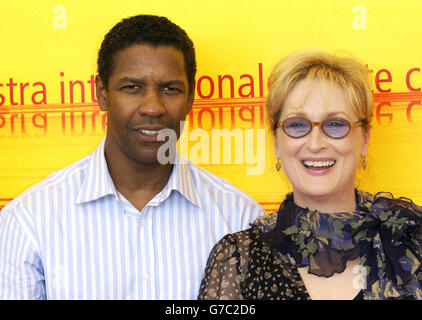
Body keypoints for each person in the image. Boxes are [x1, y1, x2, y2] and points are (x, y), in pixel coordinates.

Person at [0, 14, 264, 300]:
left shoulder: (239, 218)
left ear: (190, 99)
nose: (152, 107)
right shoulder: (30, 221)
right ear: (102, 93)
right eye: (132, 88)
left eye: (170, 89)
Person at [198, 49, 422, 300]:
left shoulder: (413, 242)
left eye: (336, 124)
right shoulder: (239, 260)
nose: (316, 143)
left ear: (365, 139)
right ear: (276, 143)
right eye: (297, 125)